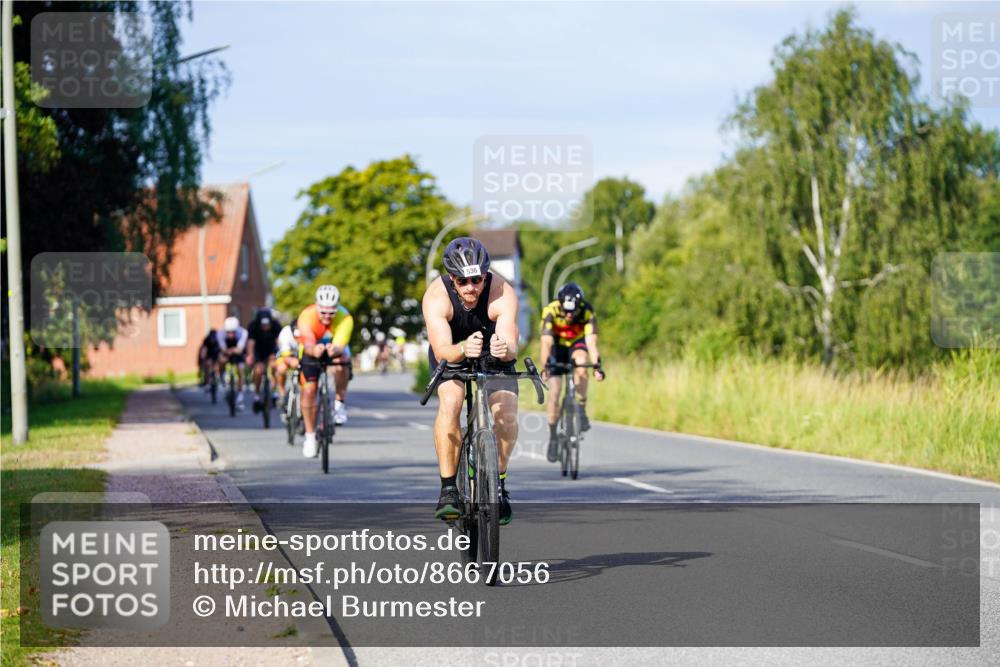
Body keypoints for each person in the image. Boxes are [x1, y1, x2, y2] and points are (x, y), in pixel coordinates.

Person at [421, 237, 520, 525]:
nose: (470, 288)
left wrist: (505, 349)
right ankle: (449, 489)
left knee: (506, 412)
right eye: (462, 281)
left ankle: (498, 483)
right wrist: (463, 348)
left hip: (494, 353)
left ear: (485, 275)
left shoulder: (502, 292)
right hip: (453, 351)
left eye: (476, 279)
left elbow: (511, 343)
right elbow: (442, 350)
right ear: (452, 278)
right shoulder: (436, 296)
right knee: (451, 403)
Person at [539, 281, 605, 462]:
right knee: (554, 392)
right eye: (566, 311)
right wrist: (544, 367)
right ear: (560, 304)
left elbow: (591, 343)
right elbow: (545, 342)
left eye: (573, 311)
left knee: (582, 363)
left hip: (577, 345)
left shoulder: (587, 311)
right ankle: (553, 436)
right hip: (556, 348)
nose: (569, 315)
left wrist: (597, 367)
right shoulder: (550, 311)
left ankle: (581, 409)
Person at [296, 285, 354, 458]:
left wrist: (333, 350)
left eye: (332, 312)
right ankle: (310, 437)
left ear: (337, 308)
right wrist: (316, 350)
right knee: (309, 390)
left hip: (333, 349)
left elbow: (340, 345)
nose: (327, 316)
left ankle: (339, 403)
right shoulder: (306, 316)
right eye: (323, 312)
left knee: (343, 360)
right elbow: (307, 346)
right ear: (316, 307)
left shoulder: (345, 318)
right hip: (310, 350)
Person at [246, 307, 282, 414]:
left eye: (267, 325)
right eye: (263, 325)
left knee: (274, 366)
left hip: (271, 350)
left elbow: (279, 342)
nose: (265, 327)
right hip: (258, 351)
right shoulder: (253, 326)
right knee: (258, 371)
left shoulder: (276, 325)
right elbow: (251, 344)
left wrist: (277, 355)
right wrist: (250, 356)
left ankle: (274, 391)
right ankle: (257, 395)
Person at [216, 316, 249, 410]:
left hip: (238, 352)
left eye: (233, 332)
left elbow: (240, 349)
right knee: (221, 360)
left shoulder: (243, 332)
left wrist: (233, 351)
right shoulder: (220, 333)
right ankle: (222, 377)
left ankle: (240, 397)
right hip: (226, 351)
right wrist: (227, 352)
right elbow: (222, 349)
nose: (230, 334)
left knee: (240, 370)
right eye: (228, 332)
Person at [274, 318, 301, 410]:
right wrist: (294, 362)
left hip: (301, 357)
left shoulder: (307, 330)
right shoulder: (285, 333)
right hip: (286, 356)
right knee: (281, 369)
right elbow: (285, 355)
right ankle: (282, 393)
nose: (297, 340)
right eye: (296, 337)